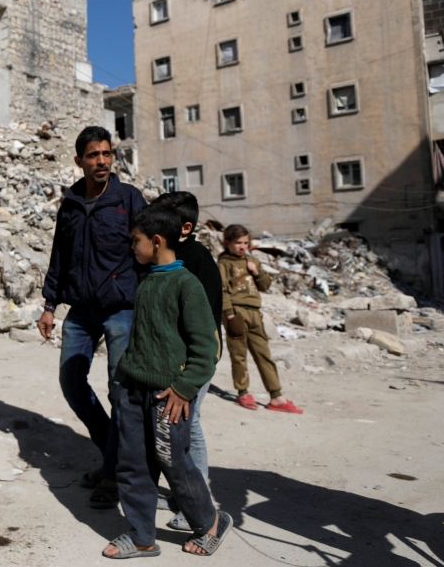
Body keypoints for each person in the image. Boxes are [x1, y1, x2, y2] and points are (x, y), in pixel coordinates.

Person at [102, 203, 231, 558]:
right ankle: (143, 536)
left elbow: (206, 347)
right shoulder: (147, 282)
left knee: (172, 461)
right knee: (131, 462)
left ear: (156, 241)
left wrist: (185, 387)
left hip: (168, 395)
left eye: (136, 240)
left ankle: (210, 522)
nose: (132, 246)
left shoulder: (186, 285)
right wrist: (124, 382)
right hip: (134, 388)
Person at [37, 126, 146, 507]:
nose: (101, 161)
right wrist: (49, 305)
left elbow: (148, 254)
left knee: (121, 392)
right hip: (81, 311)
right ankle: (111, 455)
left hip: (121, 310)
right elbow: (59, 258)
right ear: (79, 160)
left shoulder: (129, 200)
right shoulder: (68, 205)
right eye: (93, 155)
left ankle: (114, 475)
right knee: (71, 380)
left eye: (106, 154)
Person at [151, 191, 221, 531]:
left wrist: (189, 369)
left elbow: (202, 325)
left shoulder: (196, 258)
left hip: (196, 356)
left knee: (189, 421)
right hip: (174, 355)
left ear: (185, 227)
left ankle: (201, 494)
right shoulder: (167, 254)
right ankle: (186, 493)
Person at [218, 224, 302, 414]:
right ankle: (243, 392)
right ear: (227, 243)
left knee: (264, 354)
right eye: (238, 243)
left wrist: (257, 272)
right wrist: (229, 314)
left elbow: (265, 285)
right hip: (237, 312)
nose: (242, 246)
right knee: (239, 355)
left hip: (255, 312)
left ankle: (276, 396)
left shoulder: (252, 261)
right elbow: (221, 290)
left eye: (246, 243)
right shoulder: (224, 264)